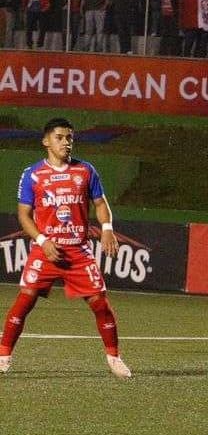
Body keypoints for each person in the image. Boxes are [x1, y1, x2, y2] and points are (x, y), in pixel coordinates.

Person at [1, 118, 131, 378]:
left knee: (99, 303)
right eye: (59, 137)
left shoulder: (85, 171)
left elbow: (101, 203)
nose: (66, 142)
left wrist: (106, 229)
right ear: (46, 141)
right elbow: (24, 216)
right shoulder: (32, 174)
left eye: (69, 138)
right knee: (25, 300)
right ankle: (3, 355)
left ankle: (114, 357)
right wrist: (42, 241)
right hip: (45, 249)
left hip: (78, 251)